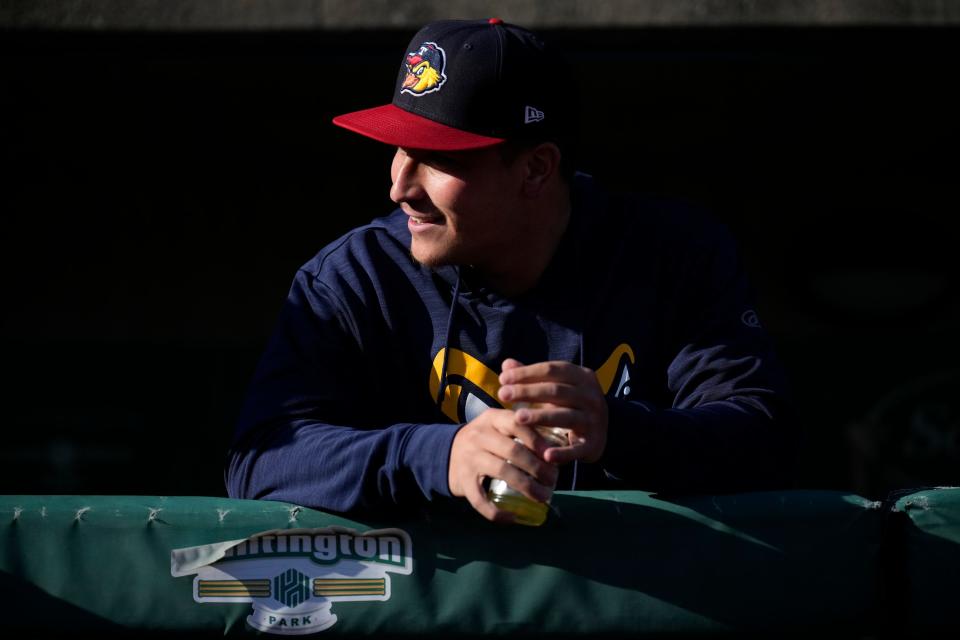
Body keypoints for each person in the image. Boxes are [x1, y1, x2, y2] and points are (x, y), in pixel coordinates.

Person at [226, 18, 793, 523]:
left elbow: (765, 437)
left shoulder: (673, 254)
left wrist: (619, 432)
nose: (400, 185)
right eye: (398, 148)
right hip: (436, 612)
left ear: (536, 169)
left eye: (439, 158)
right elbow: (262, 460)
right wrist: (439, 456)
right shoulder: (356, 275)